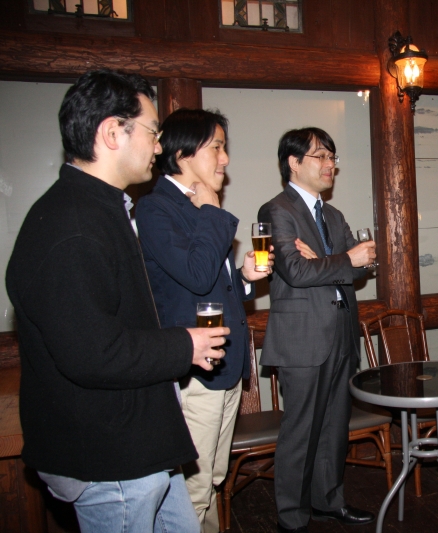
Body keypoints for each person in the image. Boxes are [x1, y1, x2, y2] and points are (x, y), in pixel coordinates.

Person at [5, 69, 228, 532]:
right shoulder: (70, 226)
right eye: (152, 132)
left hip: (141, 442)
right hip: (109, 454)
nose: (158, 147)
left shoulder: (100, 209)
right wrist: (184, 345)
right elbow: (92, 352)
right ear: (112, 133)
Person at [136, 108, 272, 532]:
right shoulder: (155, 209)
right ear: (182, 153)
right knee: (192, 490)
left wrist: (243, 279)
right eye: (217, 147)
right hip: (193, 373)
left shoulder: (194, 204)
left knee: (211, 478)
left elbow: (208, 285)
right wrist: (212, 211)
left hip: (224, 365)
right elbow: (195, 276)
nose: (225, 158)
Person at [257, 127, 376, 533]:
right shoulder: (277, 210)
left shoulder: (333, 215)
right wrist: (342, 260)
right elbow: (295, 272)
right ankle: (292, 517)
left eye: (332, 157)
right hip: (302, 338)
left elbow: (360, 268)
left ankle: (328, 502)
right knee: (301, 431)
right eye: (321, 156)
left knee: (334, 427)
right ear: (293, 162)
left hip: (342, 330)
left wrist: (330, 261)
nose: (330, 165)